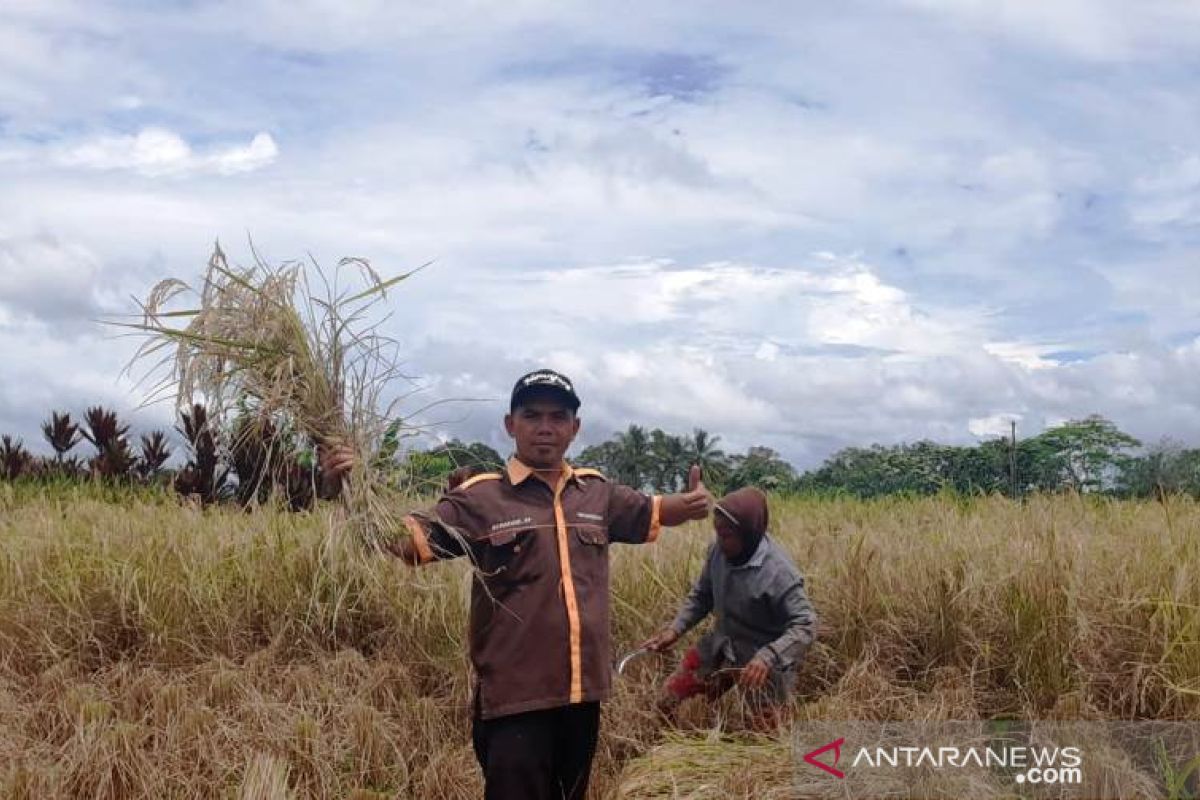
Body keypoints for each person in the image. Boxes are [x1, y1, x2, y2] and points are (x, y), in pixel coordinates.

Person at [320, 368, 713, 800]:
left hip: (581, 697)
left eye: (558, 417)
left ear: (574, 428)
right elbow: (403, 543)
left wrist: (692, 505)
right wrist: (347, 488)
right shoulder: (480, 499)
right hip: (514, 702)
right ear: (511, 424)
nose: (545, 428)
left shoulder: (597, 494)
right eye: (531, 415)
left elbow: (655, 509)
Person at [641, 486, 816, 730]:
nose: (720, 542)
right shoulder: (718, 551)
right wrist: (675, 630)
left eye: (727, 535)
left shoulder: (779, 573)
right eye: (718, 533)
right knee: (668, 698)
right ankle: (669, 750)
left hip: (762, 665)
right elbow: (703, 594)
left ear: (749, 534)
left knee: (764, 735)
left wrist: (768, 657)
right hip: (721, 644)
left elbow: (806, 624)